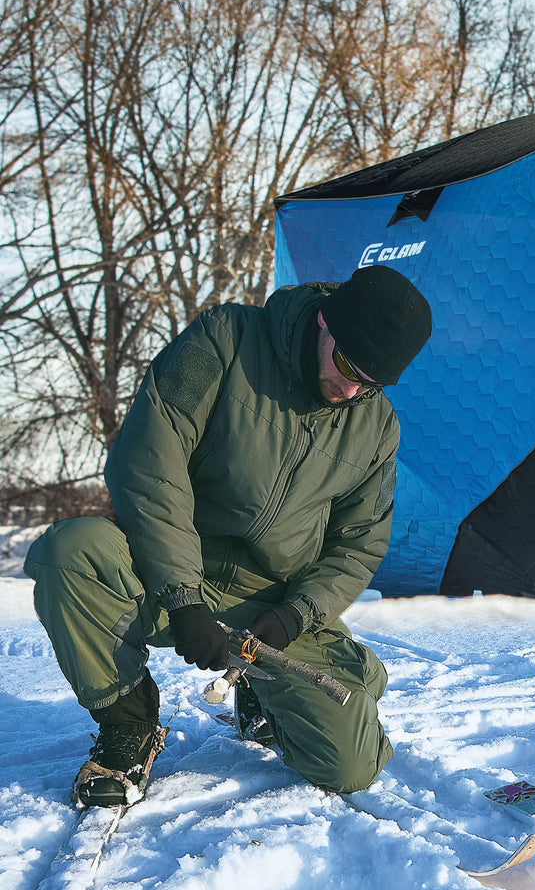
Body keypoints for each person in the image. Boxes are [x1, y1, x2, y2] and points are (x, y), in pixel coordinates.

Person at [24, 265, 432, 808]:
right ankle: (129, 727)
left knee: (349, 767)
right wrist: (183, 598)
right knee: (68, 553)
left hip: (273, 604)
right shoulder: (226, 340)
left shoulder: (376, 426)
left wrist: (295, 616)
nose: (352, 388)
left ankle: (285, 684)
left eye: (373, 382)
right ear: (322, 322)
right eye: (347, 364)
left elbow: (358, 544)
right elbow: (149, 465)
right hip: (167, 570)